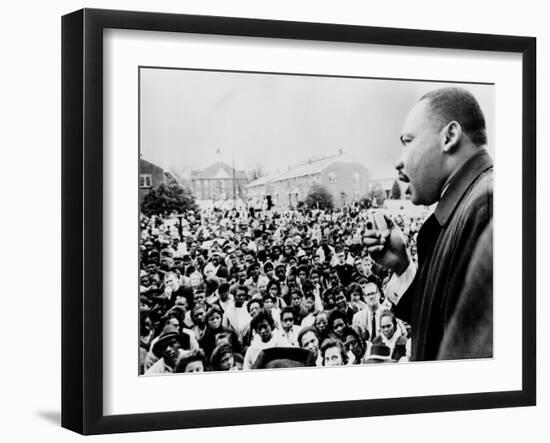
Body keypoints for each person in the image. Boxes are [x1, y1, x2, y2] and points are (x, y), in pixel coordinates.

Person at [365, 87, 493, 361]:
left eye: (407, 141)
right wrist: (402, 266)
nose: (399, 162)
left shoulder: (486, 207)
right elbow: (442, 325)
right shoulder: (468, 206)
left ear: (449, 137)